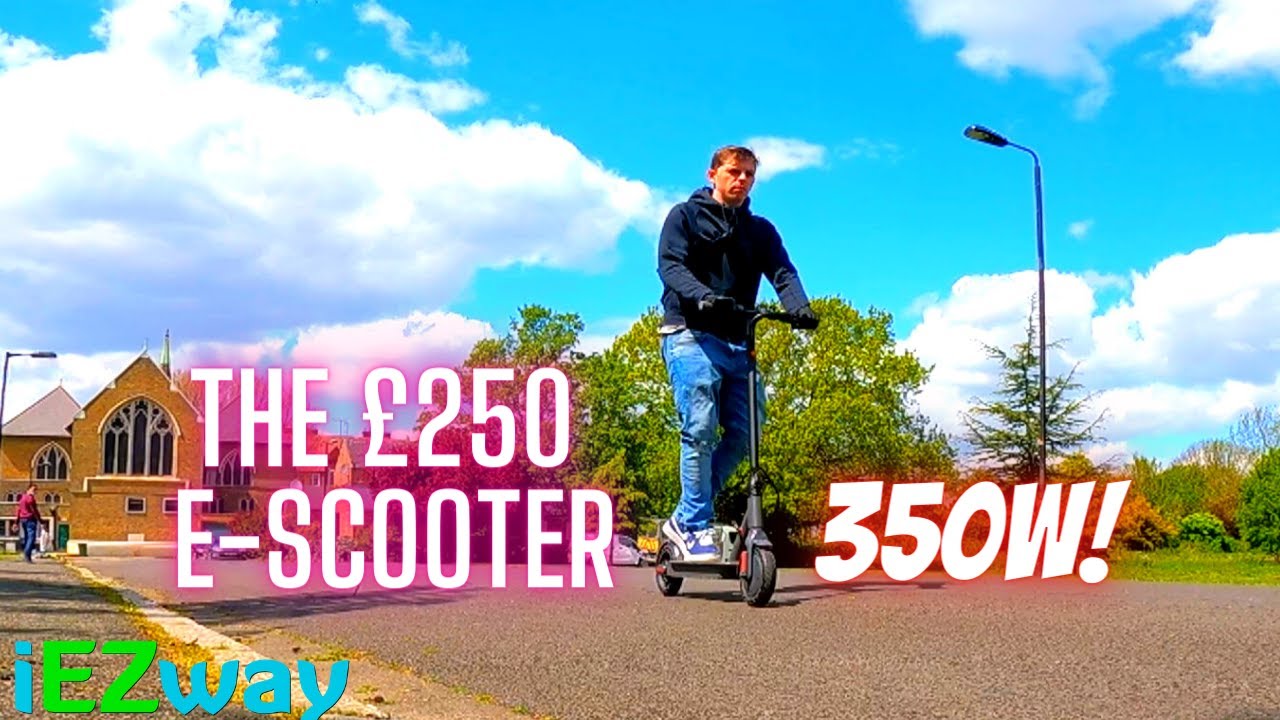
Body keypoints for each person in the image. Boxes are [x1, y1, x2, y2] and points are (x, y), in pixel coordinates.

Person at [656, 145, 819, 561]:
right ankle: (693, 525)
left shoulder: (760, 231)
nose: (742, 180)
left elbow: (782, 272)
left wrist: (798, 307)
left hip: (739, 341)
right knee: (700, 427)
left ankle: (683, 516)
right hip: (690, 334)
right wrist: (703, 295)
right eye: (734, 171)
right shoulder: (684, 216)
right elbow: (670, 266)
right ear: (713, 174)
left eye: (749, 174)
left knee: (747, 435)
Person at [17, 484, 41, 563]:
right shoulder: (30, 498)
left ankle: (28, 557)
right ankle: (26, 554)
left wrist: (16, 521)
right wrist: (40, 520)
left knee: (27, 538)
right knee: (31, 538)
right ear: (28, 490)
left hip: (23, 520)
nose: (34, 492)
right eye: (33, 490)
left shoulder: (22, 498)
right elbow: (34, 510)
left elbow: (19, 510)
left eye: (35, 490)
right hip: (30, 519)